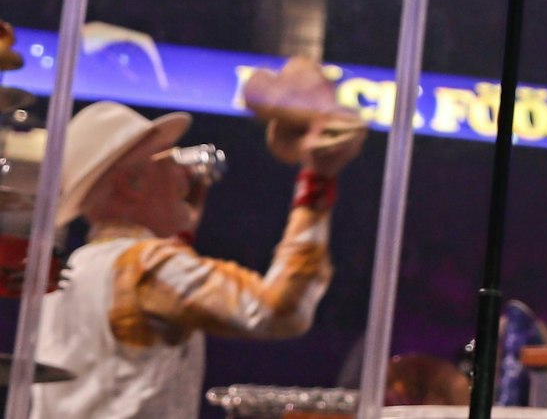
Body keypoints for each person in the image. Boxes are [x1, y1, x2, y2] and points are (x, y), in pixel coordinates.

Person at [33, 98, 363, 419]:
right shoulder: (147, 265)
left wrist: (178, 233)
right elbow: (279, 310)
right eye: (169, 160)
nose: (184, 174)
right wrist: (316, 182)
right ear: (130, 183)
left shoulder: (73, 269)